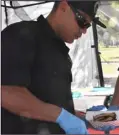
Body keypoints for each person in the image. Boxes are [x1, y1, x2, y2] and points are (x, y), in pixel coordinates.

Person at [1, 0, 106, 134]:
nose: (84, 30)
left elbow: (52, 102)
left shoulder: (61, 53)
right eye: (82, 21)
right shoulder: (21, 35)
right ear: (63, 7)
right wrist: (60, 116)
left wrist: (84, 119)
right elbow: (6, 91)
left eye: (88, 26)